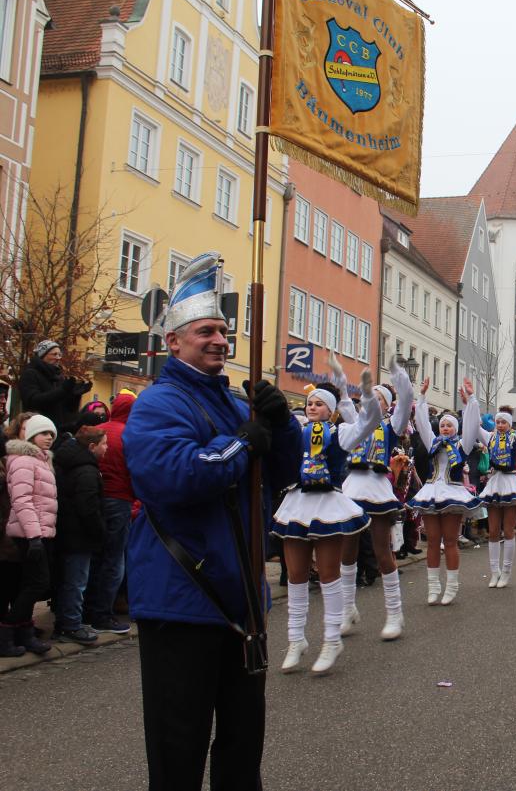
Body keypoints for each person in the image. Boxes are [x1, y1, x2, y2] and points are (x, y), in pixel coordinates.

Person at [122, 252, 301, 790]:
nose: (220, 340)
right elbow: (178, 475)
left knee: (242, 751)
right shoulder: (158, 404)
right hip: (183, 600)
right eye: (205, 331)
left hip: (242, 601)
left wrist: (278, 422)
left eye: (224, 330)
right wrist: (243, 441)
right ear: (174, 341)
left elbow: (285, 473)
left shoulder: (233, 401)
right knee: (179, 752)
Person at [272, 372, 368, 674]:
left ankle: (330, 640)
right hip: (298, 503)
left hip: (328, 502)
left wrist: (351, 391)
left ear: (331, 410)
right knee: (297, 574)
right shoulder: (298, 430)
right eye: (309, 403)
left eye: (318, 404)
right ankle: (295, 639)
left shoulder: (341, 433)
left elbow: (367, 424)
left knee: (328, 573)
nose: (311, 407)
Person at [335, 360, 414, 640]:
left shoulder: (391, 426)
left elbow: (405, 402)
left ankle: (395, 613)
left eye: (379, 398)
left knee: (382, 551)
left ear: (387, 406)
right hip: (352, 488)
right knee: (346, 552)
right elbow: (344, 401)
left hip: (378, 489)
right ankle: (347, 609)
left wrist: (399, 375)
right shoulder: (355, 424)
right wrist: (340, 379)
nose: (372, 401)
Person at [409, 377, 481, 605]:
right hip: (432, 492)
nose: (445, 428)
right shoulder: (433, 442)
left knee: (450, 541)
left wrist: (471, 401)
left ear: (456, 428)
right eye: (442, 425)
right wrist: (421, 397)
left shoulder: (463, 444)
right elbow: (420, 424)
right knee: (432, 542)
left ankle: (451, 585)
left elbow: (472, 424)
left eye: (449, 425)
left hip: (452, 493)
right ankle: (433, 587)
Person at [471, 387, 516, 587]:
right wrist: (471, 399)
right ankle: (494, 571)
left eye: (504, 422)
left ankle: (507, 571)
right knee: (493, 531)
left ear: (509, 424)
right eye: (498, 422)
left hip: (510, 483)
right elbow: (474, 425)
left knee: (508, 530)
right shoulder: (489, 438)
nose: (500, 425)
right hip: (494, 484)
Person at [4, 413, 58, 655]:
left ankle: (24, 634)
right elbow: (22, 500)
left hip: (39, 533)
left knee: (31, 584)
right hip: (29, 534)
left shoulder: (41, 460)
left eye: (51, 434)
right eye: (44, 433)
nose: (49, 438)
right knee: (38, 583)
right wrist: (34, 536)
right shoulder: (24, 461)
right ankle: (6, 633)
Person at [52, 425, 109, 646]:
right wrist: (100, 531)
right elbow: (88, 508)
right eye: (104, 444)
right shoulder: (86, 470)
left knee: (70, 580)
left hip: (71, 533)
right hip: (79, 535)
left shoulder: (76, 463)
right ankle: (70, 625)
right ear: (92, 446)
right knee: (76, 582)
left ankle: (68, 622)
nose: (107, 448)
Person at [85, 390, 135, 635]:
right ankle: (103, 613)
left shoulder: (98, 430)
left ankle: (86, 610)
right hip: (121, 499)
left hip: (95, 497)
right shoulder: (131, 435)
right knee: (114, 559)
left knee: (93, 556)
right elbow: (136, 470)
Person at [17, 341, 92, 433]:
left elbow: (68, 409)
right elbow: (33, 401)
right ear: (42, 355)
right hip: (38, 429)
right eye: (54, 354)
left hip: (57, 430)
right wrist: (63, 390)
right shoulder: (30, 374)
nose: (58, 358)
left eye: (59, 354)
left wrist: (75, 395)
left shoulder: (58, 376)